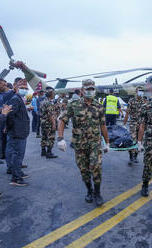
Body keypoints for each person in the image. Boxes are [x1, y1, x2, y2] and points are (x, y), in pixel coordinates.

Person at [57, 79, 110, 207]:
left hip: (94, 144)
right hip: (79, 145)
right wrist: (60, 138)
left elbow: (103, 126)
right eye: (87, 89)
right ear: (82, 90)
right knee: (84, 170)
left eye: (92, 88)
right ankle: (89, 191)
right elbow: (63, 120)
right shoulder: (73, 105)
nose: (90, 91)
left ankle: (97, 193)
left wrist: (107, 142)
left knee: (96, 167)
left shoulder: (99, 106)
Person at [6, 79, 30, 186]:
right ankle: (16, 178)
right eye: (22, 88)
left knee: (19, 155)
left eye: (26, 88)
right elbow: (10, 115)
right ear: (16, 88)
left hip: (20, 132)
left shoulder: (20, 98)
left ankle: (18, 172)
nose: (24, 90)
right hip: (17, 132)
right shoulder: (15, 99)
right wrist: (11, 128)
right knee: (17, 155)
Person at [0, 79, 15, 164]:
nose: (5, 86)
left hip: (6, 118)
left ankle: (4, 154)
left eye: (6, 84)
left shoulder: (5, 94)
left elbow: (12, 93)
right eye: (3, 85)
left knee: (5, 137)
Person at [123, 86, 146, 165]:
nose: (141, 92)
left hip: (141, 125)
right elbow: (127, 113)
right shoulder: (131, 101)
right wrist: (124, 124)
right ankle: (131, 156)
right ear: (136, 92)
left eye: (142, 91)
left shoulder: (144, 102)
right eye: (140, 91)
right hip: (133, 123)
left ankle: (135, 156)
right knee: (132, 140)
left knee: (139, 141)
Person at [39, 87, 58, 158]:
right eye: (53, 93)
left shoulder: (42, 102)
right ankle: (49, 152)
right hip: (48, 122)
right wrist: (53, 124)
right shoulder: (49, 103)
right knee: (51, 137)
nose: (54, 94)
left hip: (43, 122)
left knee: (44, 136)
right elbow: (50, 115)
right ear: (51, 94)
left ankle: (43, 151)